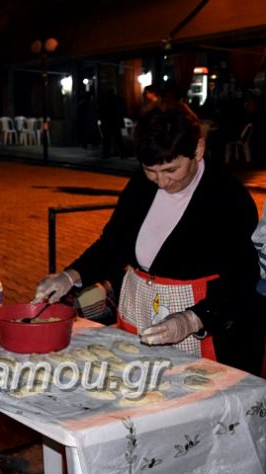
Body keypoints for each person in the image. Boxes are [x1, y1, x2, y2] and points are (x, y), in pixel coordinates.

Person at [32, 102, 264, 375]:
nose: (161, 182)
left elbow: (242, 278)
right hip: (141, 307)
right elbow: (114, 243)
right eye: (151, 171)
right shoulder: (141, 185)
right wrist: (70, 275)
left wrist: (191, 320)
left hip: (205, 321)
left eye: (171, 170)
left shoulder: (227, 198)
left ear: (198, 150)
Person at [99, 86, 127, 159]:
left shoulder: (105, 100)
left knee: (107, 139)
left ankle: (106, 154)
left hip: (108, 122)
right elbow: (123, 110)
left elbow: (101, 111)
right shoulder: (119, 100)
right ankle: (122, 154)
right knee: (118, 139)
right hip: (116, 122)